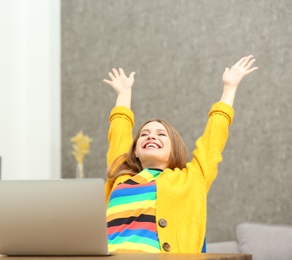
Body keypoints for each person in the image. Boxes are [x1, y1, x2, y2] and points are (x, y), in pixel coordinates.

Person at [102, 55, 258, 254]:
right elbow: (119, 134)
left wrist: (229, 88)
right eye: (144, 134)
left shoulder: (191, 178)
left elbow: (214, 137)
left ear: (173, 148)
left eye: (160, 134)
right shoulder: (120, 175)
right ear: (135, 150)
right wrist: (124, 93)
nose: (151, 136)